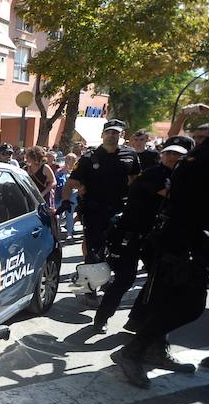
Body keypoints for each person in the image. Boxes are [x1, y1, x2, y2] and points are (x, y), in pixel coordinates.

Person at [111, 106, 209, 387]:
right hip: (184, 244)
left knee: (164, 300)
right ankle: (134, 351)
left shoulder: (197, 156)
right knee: (190, 306)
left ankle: (153, 351)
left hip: (176, 241)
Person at [91, 139, 189, 336]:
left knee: (159, 278)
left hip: (155, 236)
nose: (172, 157)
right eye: (169, 153)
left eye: (177, 154)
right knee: (125, 279)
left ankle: (137, 319)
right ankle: (101, 317)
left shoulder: (178, 176)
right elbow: (170, 195)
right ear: (162, 155)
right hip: (132, 234)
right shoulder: (154, 174)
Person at [58, 119, 140, 307]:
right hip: (94, 211)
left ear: (122, 135)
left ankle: (104, 281)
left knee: (117, 253)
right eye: (109, 132)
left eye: (116, 133)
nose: (112, 135)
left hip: (121, 211)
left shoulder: (131, 155)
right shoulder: (89, 158)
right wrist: (65, 202)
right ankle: (89, 291)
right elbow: (71, 184)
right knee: (94, 252)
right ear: (103, 134)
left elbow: (135, 180)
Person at [55, 153, 77, 240]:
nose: (67, 160)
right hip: (60, 195)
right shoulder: (60, 169)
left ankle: (69, 233)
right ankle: (57, 232)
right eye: (66, 158)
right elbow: (56, 178)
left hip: (71, 195)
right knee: (58, 214)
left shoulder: (76, 170)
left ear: (74, 161)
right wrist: (61, 172)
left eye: (69, 159)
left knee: (69, 214)